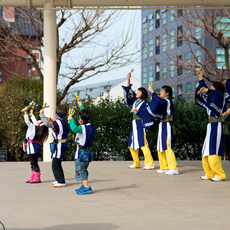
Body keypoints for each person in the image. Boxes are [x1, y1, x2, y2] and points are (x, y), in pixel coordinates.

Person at [195, 70, 226, 181]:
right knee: (206, 151)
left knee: (213, 150)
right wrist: (201, 78)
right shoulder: (213, 96)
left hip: (217, 125)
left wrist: (208, 89)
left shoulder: (219, 96)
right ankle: (209, 173)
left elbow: (214, 93)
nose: (210, 89)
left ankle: (219, 174)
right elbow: (205, 90)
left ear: (216, 90)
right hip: (211, 125)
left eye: (212, 87)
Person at [122, 72, 155, 170]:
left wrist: (139, 110)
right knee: (131, 144)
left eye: (139, 92)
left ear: (143, 94)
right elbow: (129, 92)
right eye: (137, 91)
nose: (137, 93)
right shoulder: (134, 101)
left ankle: (150, 164)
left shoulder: (144, 104)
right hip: (134, 123)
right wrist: (128, 79)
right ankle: (136, 163)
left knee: (143, 143)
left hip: (140, 124)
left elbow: (148, 112)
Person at [148, 85, 179, 175]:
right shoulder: (164, 101)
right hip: (162, 124)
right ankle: (164, 166)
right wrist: (153, 98)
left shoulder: (168, 101)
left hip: (167, 124)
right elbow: (157, 103)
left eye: (162, 91)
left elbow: (159, 101)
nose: (160, 92)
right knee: (160, 146)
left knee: (167, 146)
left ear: (167, 93)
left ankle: (173, 168)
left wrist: (152, 92)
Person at [68, 102, 95, 195]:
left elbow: (74, 128)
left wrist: (70, 119)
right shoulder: (91, 125)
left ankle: (86, 187)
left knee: (80, 169)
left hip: (81, 152)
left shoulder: (82, 128)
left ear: (81, 119)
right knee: (84, 168)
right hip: (87, 151)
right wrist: (81, 106)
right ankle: (84, 185)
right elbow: (85, 115)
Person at [40, 105, 69, 187]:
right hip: (62, 143)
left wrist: (42, 114)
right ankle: (60, 180)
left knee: (55, 164)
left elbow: (46, 123)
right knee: (58, 163)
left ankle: (61, 181)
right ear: (66, 115)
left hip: (59, 144)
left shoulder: (57, 122)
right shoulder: (65, 121)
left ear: (56, 114)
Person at [23, 106, 49, 183]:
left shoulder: (33, 127)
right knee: (32, 162)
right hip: (33, 146)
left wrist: (26, 112)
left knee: (34, 163)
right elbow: (34, 122)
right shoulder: (36, 128)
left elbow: (27, 121)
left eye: (40, 121)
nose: (38, 121)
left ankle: (37, 178)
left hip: (33, 147)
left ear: (39, 125)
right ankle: (33, 176)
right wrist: (32, 114)